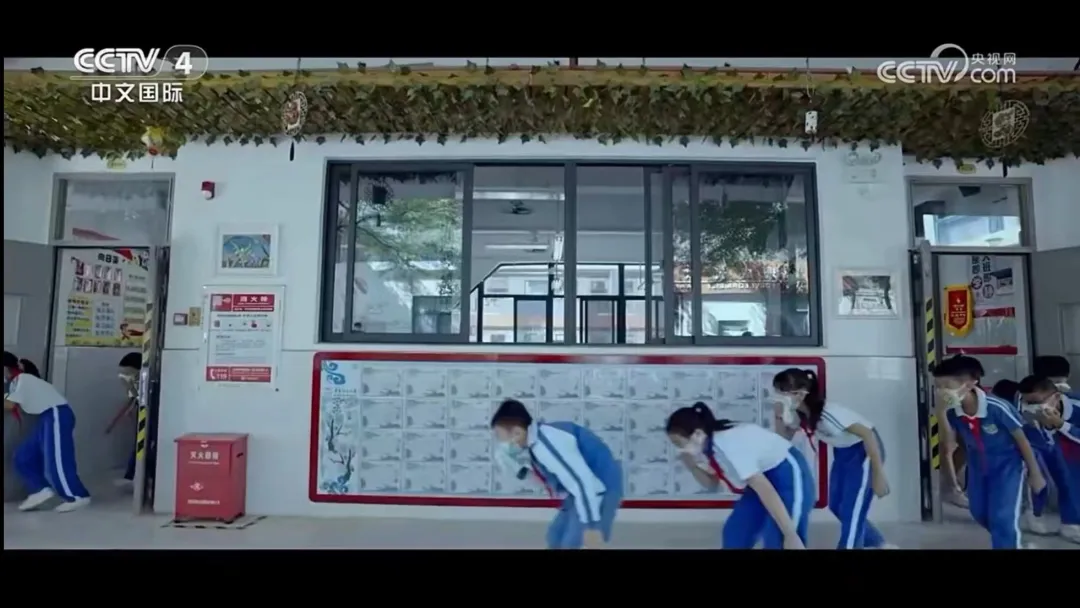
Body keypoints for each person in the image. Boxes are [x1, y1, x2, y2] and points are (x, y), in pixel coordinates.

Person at [772, 368, 895, 549]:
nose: (779, 396)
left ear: (801, 393)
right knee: (836, 505)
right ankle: (879, 544)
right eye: (778, 391)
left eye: (783, 391)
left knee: (852, 508)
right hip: (843, 452)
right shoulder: (800, 414)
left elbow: (867, 434)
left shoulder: (828, 413)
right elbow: (783, 440)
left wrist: (878, 474)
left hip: (864, 449)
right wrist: (779, 416)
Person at [667, 402, 814, 550]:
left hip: (788, 473)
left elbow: (765, 489)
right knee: (735, 534)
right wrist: (692, 466)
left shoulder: (728, 442)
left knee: (779, 539)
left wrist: (790, 534)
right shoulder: (709, 447)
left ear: (698, 434)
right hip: (762, 478)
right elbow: (712, 484)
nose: (679, 449)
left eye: (679, 443)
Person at [933, 356, 1045, 548]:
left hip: (1007, 467)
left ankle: (1008, 543)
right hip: (977, 468)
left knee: (1002, 516)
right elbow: (949, 443)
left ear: (970, 383)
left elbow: (1021, 439)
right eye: (938, 387)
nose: (942, 391)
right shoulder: (952, 411)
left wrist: (1035, 473)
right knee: (980, 513)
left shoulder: (997, 407)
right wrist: (941, 413)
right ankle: (1012, 541)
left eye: (947, 385)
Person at [490, 399, 623, 549]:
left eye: (500, 437)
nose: (501, 443)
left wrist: (591, 526)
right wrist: (515, 467)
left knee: (572, 543)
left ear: (517, 432)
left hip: (599, 490)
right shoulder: (536, 444)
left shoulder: (547, 445)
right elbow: (545, 480)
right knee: (555, 537)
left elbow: (584, 483)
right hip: (580, 493)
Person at [3, 350, 91, 512]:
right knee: (23, 456)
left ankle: (77, 495)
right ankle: (39, 490)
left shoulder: (23, 379)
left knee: (57, 460)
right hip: (45, 417)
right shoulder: (15, 383)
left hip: (56, 413)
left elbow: (10, 405)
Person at [1017, 374, 1080, 543]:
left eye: (1035, 402)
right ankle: (1035, 513)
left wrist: (1061, 425)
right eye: (1026, 402)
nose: (1029, 407)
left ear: (1056, 397)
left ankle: (1071, 522)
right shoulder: (1022, 410)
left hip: (1072, 444)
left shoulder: (1077, 407)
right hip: (1041, 443)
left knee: (1070, 476)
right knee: (1035, 470)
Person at [108, 352, 142, 487]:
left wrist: (129, 385)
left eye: (127, 372)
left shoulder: (143, 382)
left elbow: (136, 397)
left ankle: (132, 475)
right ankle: (131, 475)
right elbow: (132, 400)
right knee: (138, 445)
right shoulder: (136, 383)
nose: (123, 375)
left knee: (140, 445)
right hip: (138, 415)